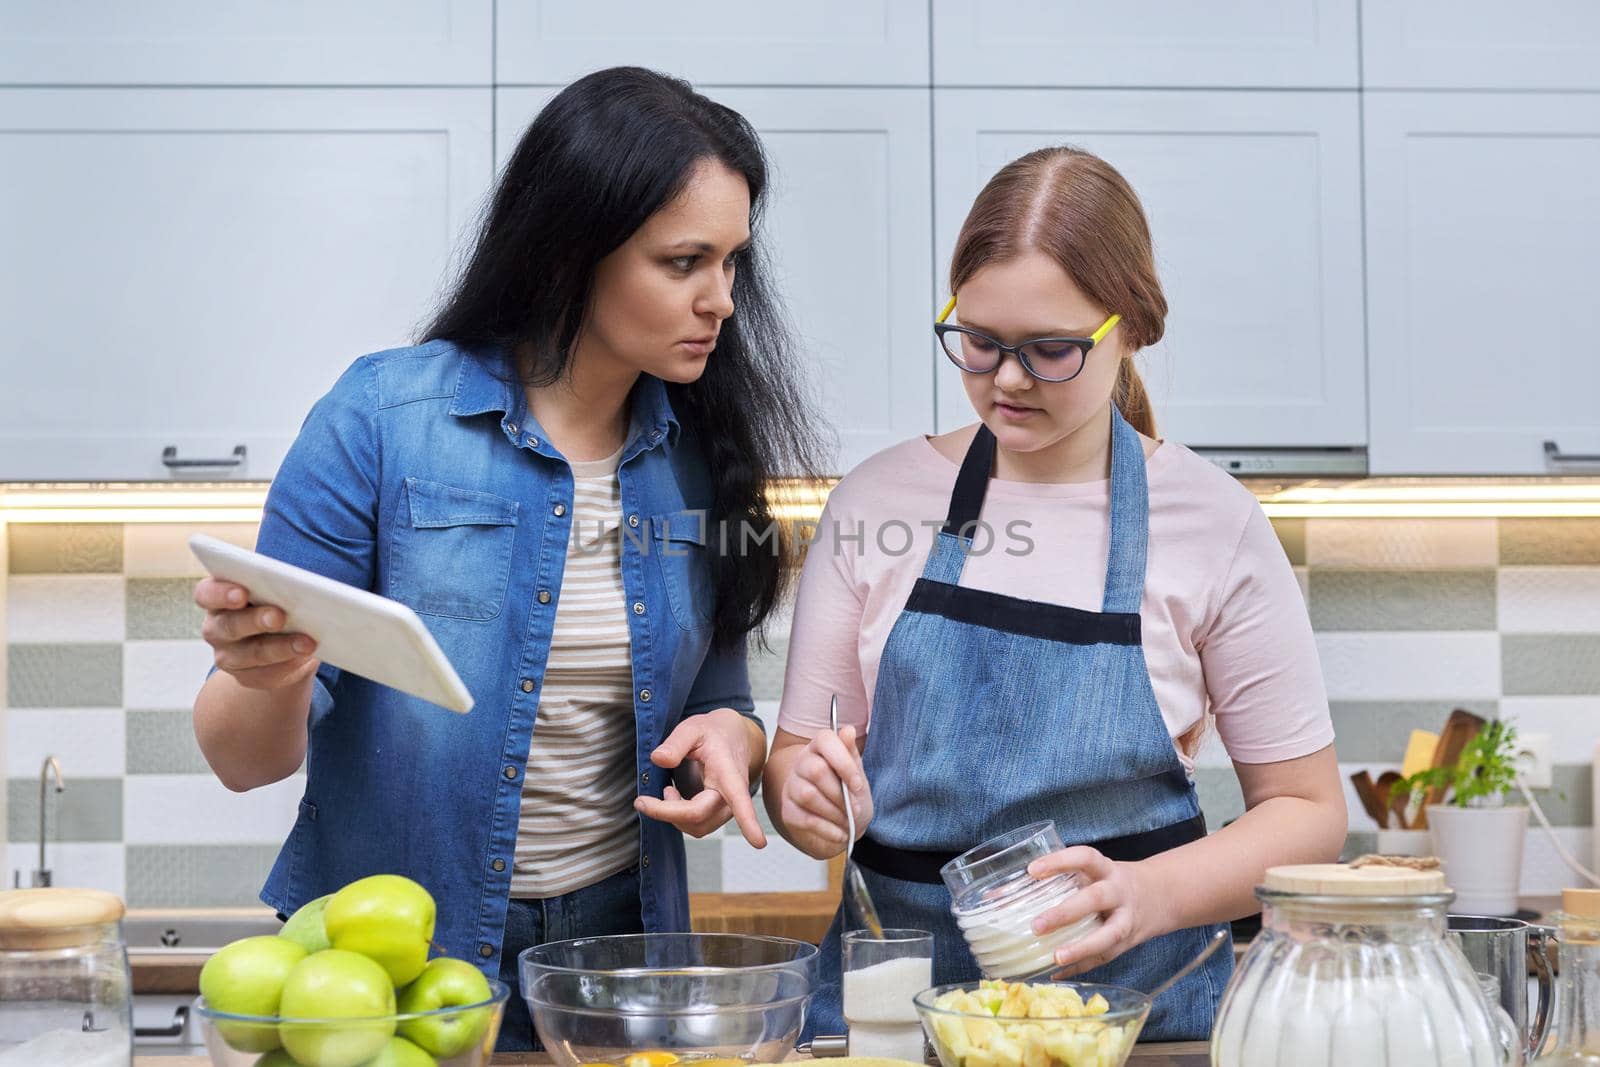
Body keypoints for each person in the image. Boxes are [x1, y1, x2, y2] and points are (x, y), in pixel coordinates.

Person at [191, 66, 826, 1050]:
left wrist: (728, 745)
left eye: (732, 261)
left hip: (618, 954)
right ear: (572, 253)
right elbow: (244, 758)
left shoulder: (703, 455)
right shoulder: (379, 423)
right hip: (387, 962)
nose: (722, 300)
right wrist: (259, 670)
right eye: (683, 261)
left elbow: (724, 703)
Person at [764, 146, 1345, 1040]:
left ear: (1134, 328)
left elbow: (1309, 813)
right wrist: (802, 795)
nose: (1005, 379)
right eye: (980, 340)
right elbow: (799, 760)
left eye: (1051, 350)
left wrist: (1153, 892)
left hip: (1138, 1023)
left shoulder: (1214, 523)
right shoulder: (875, 502)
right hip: (892, 1024)